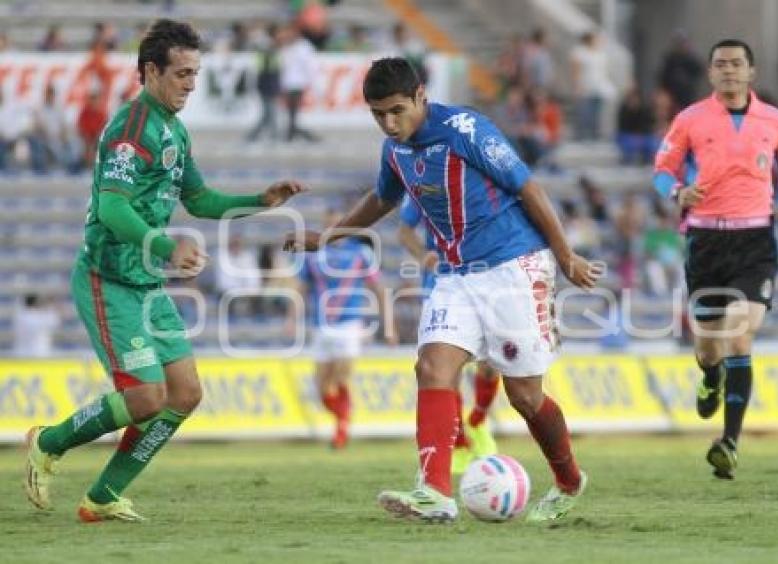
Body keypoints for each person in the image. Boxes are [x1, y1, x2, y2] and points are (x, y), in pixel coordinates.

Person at [283, 58, 602, 522]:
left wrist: (566, 255)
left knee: (526, 398)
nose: (389, 124)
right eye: (378, 115)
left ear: (420, 97)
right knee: (432, 365)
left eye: (396, 110)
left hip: (514, 265)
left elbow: (528, 187)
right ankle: (434, 492)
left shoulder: (465, 129)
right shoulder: (394, 151)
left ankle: (569, 480)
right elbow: (382, 199)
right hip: (455, 274)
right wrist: (328, 237)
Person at [23, 19, 305, 523]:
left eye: (195, 74)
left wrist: (257, 201)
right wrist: (165, 245)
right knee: (146, 396)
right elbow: (111, 208)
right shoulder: (132, 130)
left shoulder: (174, 130)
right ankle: (48, 442)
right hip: (107, 278)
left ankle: (104, 496)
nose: (190, 85)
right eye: (181, 74)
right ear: (151, 71)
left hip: (146, 282)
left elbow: (198, 199)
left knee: (184, 393)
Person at [653, 39, 778, 480]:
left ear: (751, 72)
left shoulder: (775, 120)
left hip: (755, 240)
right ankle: (710, 375)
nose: (730, 71)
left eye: (737, 64)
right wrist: (678, 192)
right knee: (707, 347)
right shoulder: (690, 119)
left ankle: (730, 442)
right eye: (721, 64)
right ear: (710, 73)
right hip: (705, 242)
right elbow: (662, 171)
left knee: (740, 337)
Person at [397, 194, 499, 474]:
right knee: (446, 371)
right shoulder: (423, 182)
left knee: (490, 366)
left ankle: (478, 420)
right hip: (441, 285)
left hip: (484, 282)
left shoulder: (482, 180)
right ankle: (461, 443)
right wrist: (422, 255)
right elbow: (404, 230)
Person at [296, 209, 398, 449]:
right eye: (329, 225)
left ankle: (341, 430)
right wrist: (292, 317)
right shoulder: (313, 254)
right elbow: (299, 287)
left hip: (351, 323)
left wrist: (389, 326)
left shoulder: (361, 253)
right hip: (322, 325)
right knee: (321, 390)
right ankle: (343, 416)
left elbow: (379, 290)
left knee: (342, 376)